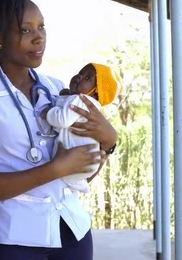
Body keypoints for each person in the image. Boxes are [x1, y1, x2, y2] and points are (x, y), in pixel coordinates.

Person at [0, 0, 118, 259]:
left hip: (71, 232)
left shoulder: (57, 89)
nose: (39, 37)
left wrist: (108, 144)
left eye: (41, 26)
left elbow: (80, 172)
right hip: (11, 239)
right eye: (25, 30)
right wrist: (54, 169)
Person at [41, 63, 122, 194]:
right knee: (71, 181)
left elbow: (62, 120)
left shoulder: (81, 100)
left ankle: (78, 184)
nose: (79, 77)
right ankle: (79, 185)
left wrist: (49, 112)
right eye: (80, 73)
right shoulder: (88, 105)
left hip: (74, 160)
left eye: (87, 78)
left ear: (96, 92)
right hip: (88, 161)